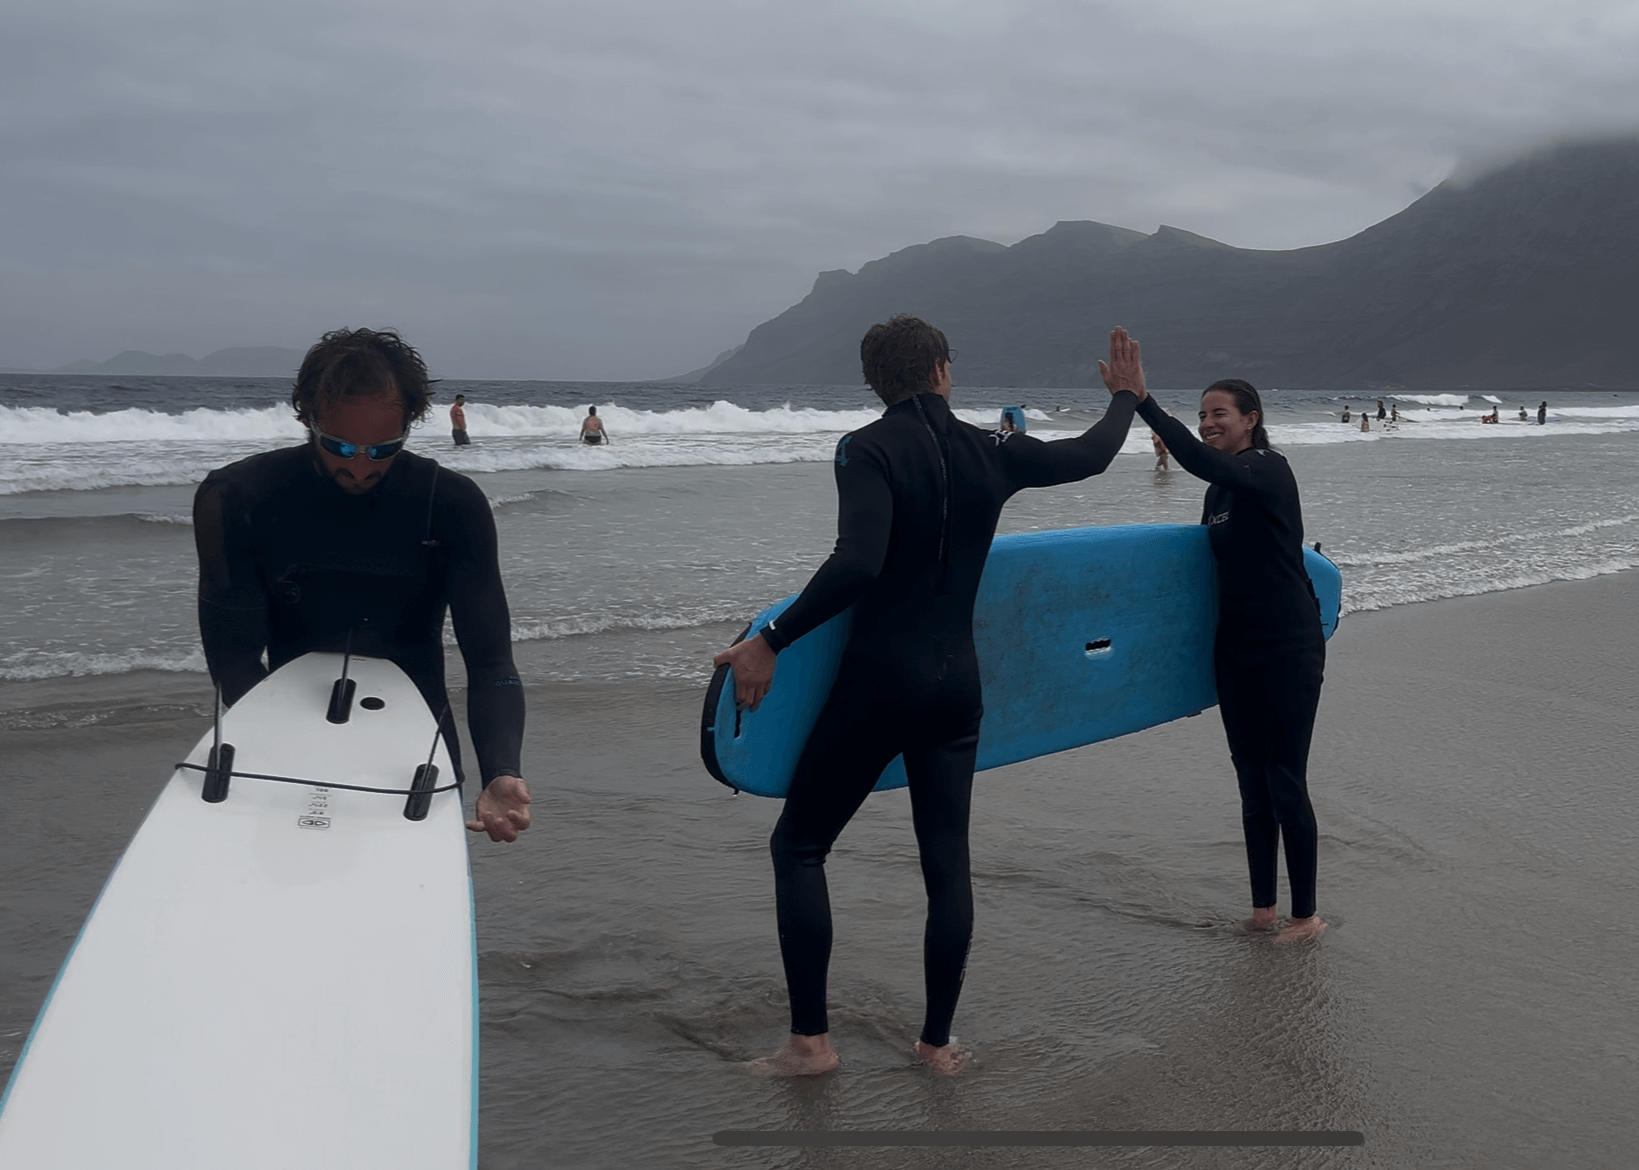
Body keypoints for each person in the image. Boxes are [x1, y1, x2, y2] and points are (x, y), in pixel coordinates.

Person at [713, 315, 1140, 1076]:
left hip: (880, 681)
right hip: (956, 688)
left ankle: (809, 1045)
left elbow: (857, 563)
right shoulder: (991, 449)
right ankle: (937, 1045)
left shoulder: (866, 448)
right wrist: (1125, 400)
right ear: (943, 369)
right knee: (946, 865)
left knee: (801, 845)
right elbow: (1091, 456)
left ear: (875, 381)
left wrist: (768, 639)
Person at [193, 328, 532, 844]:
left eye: (383, 449)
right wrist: (285, 750)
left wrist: (501, 770)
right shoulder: (238, 498)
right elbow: (233, 658)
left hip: (417, 745)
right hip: (281, 732)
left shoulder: (451, 504)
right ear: (309, 417)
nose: (359, 466)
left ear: (411, 423)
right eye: (340, 446)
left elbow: (490, 664)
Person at [1100, 327, 1327, 945]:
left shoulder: (1267, 469)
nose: (1207, 423)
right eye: (1201, 415)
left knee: (1284, 778)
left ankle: (1305, 916)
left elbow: (1199, 459)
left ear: (1251, 419)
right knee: (1250, 781)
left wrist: (1142, 400)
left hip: (1286, 645)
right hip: (1236, 647)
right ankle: (1261, 910)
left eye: (1218, 413)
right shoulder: (1219, 491)